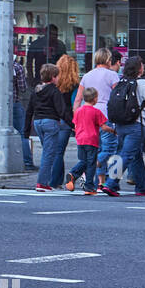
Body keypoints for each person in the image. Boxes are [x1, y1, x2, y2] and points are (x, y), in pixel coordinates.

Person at [101, 55, 145, 198]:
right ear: (139, 69)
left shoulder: (121, 83)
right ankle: (111, 183)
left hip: (120, 124)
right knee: (127, 155)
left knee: (135, 156)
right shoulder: (143, 84)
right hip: (136, 125)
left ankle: (143, 186)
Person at [23, 63, 73, 193]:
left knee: (48, 150)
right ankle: (42, 183)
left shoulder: (36, 91)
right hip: (50, 122)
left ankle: (44, 181)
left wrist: (26, 131)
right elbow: (62, 111)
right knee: (49, 154)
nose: (58, 79)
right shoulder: (54, 91)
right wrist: (74, 125)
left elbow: (29, 111)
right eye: (57, 76)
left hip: (38, 122)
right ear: (53, 77)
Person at [78, 48, 121, 186]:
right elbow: (118, 96)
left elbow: (78, 99)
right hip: (105, 114)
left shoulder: (87, 76)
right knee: (109, 148)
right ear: (108, 60)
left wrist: (76, 118)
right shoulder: (112, 75)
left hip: (88, 114)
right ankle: (88, 165)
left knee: (99, 147)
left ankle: (100, 182)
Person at [0, 55, 34, 170]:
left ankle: (2, 158)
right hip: (14, 102)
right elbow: (22, 87)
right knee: (21, 133)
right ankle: (27, 162)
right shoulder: (17, 67)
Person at [63, 87, 109, 195]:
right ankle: (88, 185)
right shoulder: (96, 112)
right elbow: (103, 126)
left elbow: (75, 124)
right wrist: (113, 131)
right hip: (92, 139)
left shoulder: (78, 111)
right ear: (94, 99)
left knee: (84, 161)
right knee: (91, 163)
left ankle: (74, 175)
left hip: (80, 139)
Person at [51, 54, 82, 189]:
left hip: (53, 119)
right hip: (67, 121)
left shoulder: (54, 84)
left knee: (54, 151)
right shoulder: (74, 85)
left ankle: (55, 180)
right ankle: (55, 181)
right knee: (59, 152)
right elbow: (75, 104)